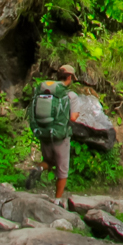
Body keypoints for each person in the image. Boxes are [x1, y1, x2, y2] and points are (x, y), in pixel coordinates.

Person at [29, 65, 81, 205]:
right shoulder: (70, 95)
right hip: (60, 136)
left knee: (49, 161)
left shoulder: (44, 92)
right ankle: (57, 202)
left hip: (44, 133)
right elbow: (73, 118)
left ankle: (38, 168)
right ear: (69, 77)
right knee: (62, 170)